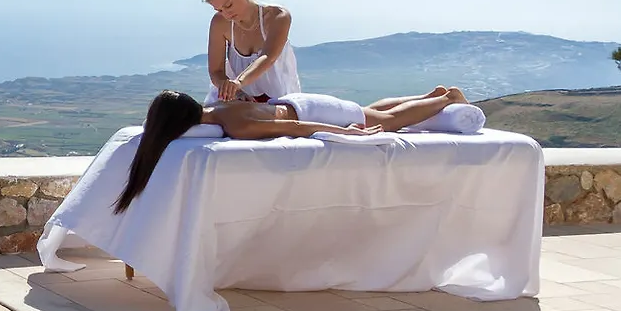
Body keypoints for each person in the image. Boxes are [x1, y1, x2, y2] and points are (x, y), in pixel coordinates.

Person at [111, 86, 470, 215]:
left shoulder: (235, 125)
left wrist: (342, 132)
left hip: (311, 112)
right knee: (367, 110)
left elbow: (295, 128)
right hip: (298, 103)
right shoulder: (216, 109)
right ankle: (431, 95)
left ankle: (446, 99)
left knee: (386, 121)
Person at [202, 0, 301, 103]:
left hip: (280, 100)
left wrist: (239, 82)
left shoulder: (277, 17)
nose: (226, 14)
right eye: (219, 10)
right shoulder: (220, 23)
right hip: (240, 99)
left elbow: (268, 57)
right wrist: (235, 92)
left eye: (228, 5)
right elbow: (216, 71)